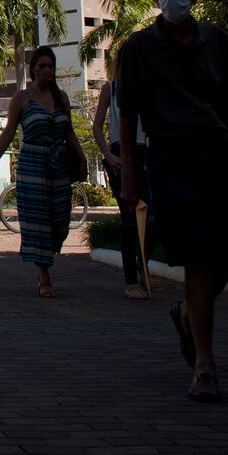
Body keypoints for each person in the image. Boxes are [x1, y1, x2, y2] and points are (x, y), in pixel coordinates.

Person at [115, 0, 228, 403]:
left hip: (216, 153)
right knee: (197, 256)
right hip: (170, 156)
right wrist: (129, 176)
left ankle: (185, 312)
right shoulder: (138, 48)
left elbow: (227, 100)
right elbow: (128, 112)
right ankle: (205, 364)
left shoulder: (216, 40)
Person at [0, 47, 89, 298]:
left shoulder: (61, 98)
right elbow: (8, 133)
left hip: (59, 162)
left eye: (50, 66)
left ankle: (45, 258)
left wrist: (82, 159)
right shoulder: (21, 98)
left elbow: (69, 131)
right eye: (41, 66)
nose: (46, 71)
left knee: (60, 220)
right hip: (32, 164)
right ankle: (44, 275)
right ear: (32, 70)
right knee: (39, 222)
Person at [92, 59, 152, 300]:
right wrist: (108, 155)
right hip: (120, 157)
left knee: (150, 216)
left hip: (145, 154)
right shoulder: (111, 89)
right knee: (129, 219)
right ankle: (131, 281)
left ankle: (143, 265)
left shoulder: (148, 88)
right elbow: (97, 126)